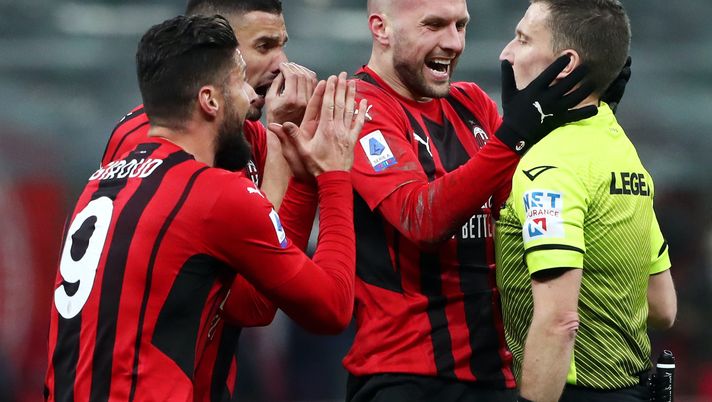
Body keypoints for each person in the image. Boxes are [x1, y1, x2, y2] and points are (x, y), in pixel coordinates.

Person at [44, 14, 367, 402]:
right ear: (209, 100)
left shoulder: (101, 181)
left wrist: (292, 170)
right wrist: (333, 174)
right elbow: (331, 307)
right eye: (239, 80)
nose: (251, 97)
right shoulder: (213, 193)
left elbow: (251, 303)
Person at [341, 0, 604, 401]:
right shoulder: (358, 107)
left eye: (461, 25)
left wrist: (576, 119)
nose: (454, 42)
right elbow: (420, 218)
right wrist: (513, 136)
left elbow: (519, 215)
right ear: (381, 28)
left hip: (495, 371)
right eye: (434, 25)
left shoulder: (473, 104)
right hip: (405, 377)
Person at [493, 1, 677, 401]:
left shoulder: (549, 167)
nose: (506, 53)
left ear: (563, 65)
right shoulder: (624, 153)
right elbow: (663, 307)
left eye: (523, 39)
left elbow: (559, 321)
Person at [101, 0, 316, 209]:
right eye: (264, 46)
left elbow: (282, 242)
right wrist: (282, 137)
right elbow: (254, 239)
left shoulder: (253, 135)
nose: (283, 64)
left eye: (281, 45)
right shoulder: (146, 138)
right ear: (218, 47)